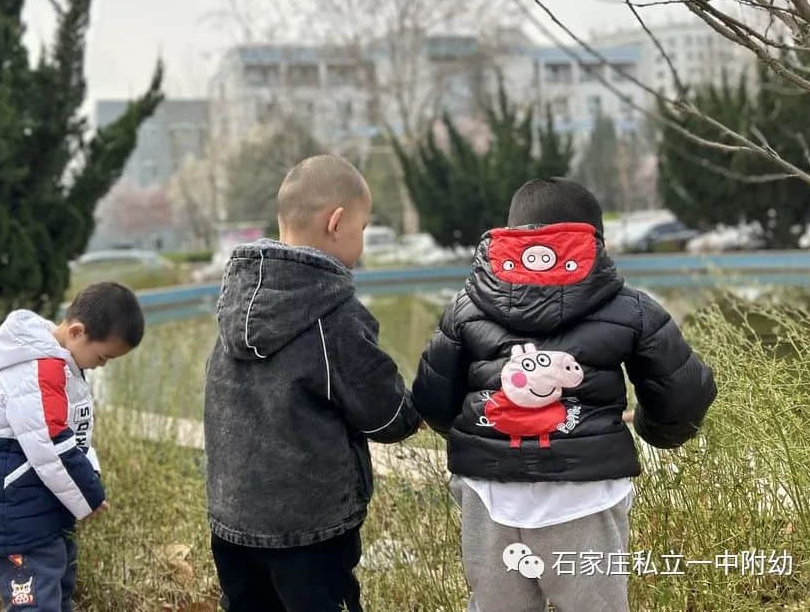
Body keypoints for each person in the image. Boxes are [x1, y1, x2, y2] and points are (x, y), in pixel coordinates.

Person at [412, 177, 718, 612]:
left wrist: (479, 436)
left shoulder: (466, 306)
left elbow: (432, 397)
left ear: (511, 234)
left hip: (489, 494)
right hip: (586, 496)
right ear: (594, 241)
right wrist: (655, 431)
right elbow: (685, 394)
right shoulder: (629, 308)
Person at [204, 154, 421, 612]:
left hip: (232, 522)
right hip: (311, 529)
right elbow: (384, 416)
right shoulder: (333, 316)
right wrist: (427, 396)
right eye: (362, 228)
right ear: (336, 222)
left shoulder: (235, 306)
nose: (361, 243)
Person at [0, 282, 144, 612]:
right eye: (103, 356)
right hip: (12, 511)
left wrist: (89, 473)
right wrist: (90, 496)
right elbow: (51, 446)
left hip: (34, 504)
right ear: (77, 332)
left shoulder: (62, 364)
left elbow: (75, 435)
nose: (102, 366)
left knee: (57, 580)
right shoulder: (38, 370)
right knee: (36, 597)